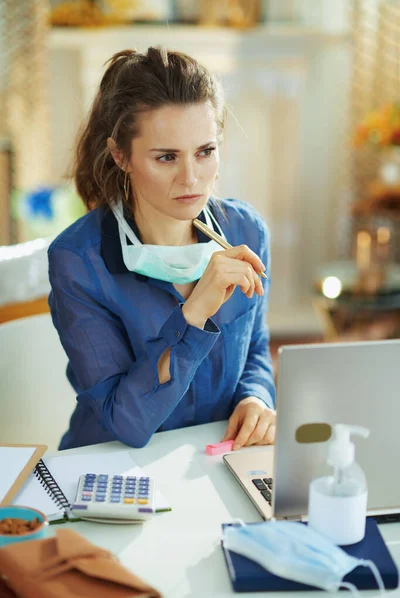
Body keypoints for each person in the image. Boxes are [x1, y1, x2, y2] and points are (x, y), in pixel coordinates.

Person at [48, 47, 276, 451]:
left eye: (205, 151)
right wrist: (193, 315)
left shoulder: (247, 231)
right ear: (121, 156)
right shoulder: (78, 262)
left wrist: (255, 397)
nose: (191, 178)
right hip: (112, 473)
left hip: (212, 463)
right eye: (166, 157)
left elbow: (254, 348)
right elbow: (127, 422)